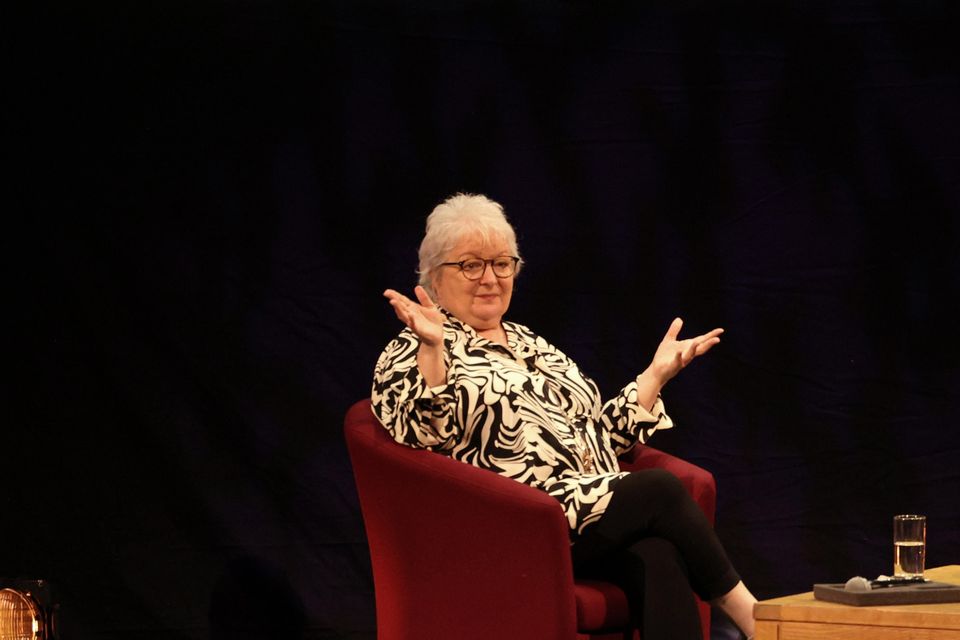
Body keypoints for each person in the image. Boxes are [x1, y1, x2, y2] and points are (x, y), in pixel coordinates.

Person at [371, 193, 757, 640]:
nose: (490, 278)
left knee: (658, 555)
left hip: (583, 512)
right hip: (513, 526)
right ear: (434, 280)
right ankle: (756, 620)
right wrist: (432, 349)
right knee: (659, 489)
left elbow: (602, 439)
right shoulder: (410, 349)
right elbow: (423, 438)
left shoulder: (532, 344)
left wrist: (654, 377)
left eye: (502, 263)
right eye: (471, 265)